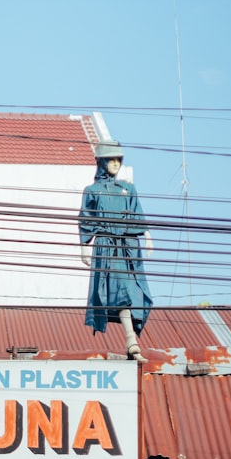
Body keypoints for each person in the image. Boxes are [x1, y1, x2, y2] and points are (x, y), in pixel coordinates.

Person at [79, 139, 153, 361]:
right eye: (111, 159)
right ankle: (131, 339)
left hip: (128, 245)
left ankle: (131, 338)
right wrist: (84, 244)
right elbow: (86, 218)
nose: (115, 163)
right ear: (102, 161)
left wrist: (147, 235)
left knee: (136, 291)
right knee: (121, 290)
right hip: (106, 245)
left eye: (118, 159)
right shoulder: (91, 190)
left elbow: (137, 212)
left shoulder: (128, 188)